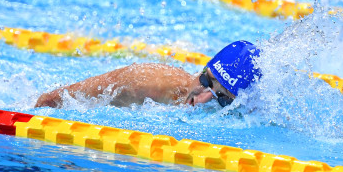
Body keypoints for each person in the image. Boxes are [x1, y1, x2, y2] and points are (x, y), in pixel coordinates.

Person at [35, 40, 262, 108]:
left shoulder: (250, 116)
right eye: (205, 81)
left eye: (222, 99)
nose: (200, 99)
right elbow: (48, 101)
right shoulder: (144, 83)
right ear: (202, 70)